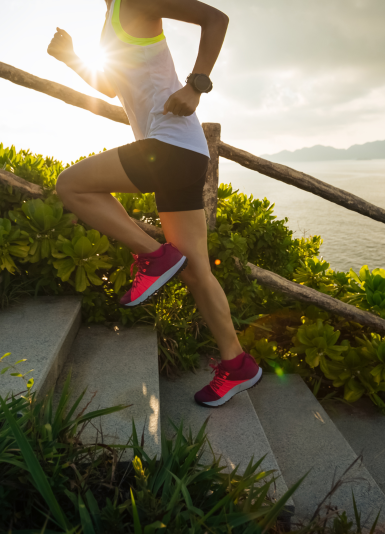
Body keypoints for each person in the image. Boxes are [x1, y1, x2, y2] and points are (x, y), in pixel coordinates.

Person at [47, 0, 261, 407]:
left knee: (71, 185)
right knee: (196, 271)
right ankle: (238, 365)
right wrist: (71, 57)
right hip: (183, 152)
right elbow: (111, 87)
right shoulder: (112, 16)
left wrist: (196, 86)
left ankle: (153, 255)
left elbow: (215, 19)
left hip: (169, 147)